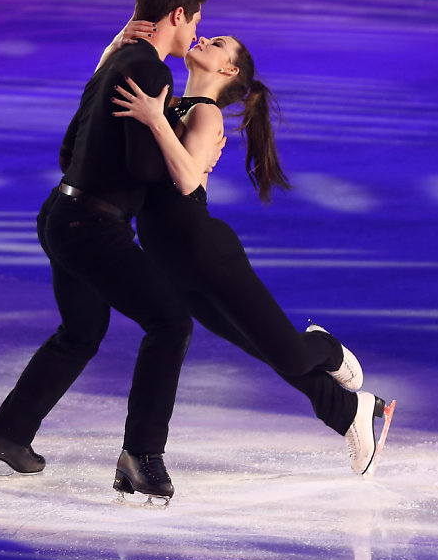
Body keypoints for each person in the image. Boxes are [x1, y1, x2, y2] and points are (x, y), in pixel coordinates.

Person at [0, 0, 212, 504]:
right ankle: (141, 455)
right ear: (177, 15)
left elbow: (68, 146)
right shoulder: (147, 70)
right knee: (170, 322)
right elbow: (145, 168)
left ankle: (5, 437)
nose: (196, 32)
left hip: (62, 212)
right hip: (92, 227)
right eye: (195, 20)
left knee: (81, 331)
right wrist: (163, 127)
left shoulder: (116, 64)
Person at [111, 30, 395, 475]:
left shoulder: (204, 114)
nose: (203, 38)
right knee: (260, 346)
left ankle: (325, 346)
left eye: (218, 42)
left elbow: (186, 181)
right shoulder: (173, 106)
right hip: (174, 260)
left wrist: (154, 119)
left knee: (291, 355)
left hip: (203, 250)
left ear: (228, 71)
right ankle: (347, 412)